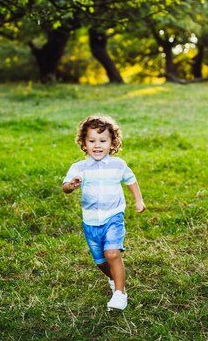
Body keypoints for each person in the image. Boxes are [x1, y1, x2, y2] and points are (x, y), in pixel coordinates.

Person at [62, 115, 146, 311]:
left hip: (113, 217)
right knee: (100, 261)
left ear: (112, 143)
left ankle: (120, 293)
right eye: (92, 141)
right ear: (84, 143)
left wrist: (138, 199)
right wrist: (71, 186)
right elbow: (65, 187)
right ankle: (114, 278)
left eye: (103, 141)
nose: (97, 145)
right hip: (91, 221)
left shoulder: (118, 165)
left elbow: (131, 180)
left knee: (112, 253)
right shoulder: (79, 168)